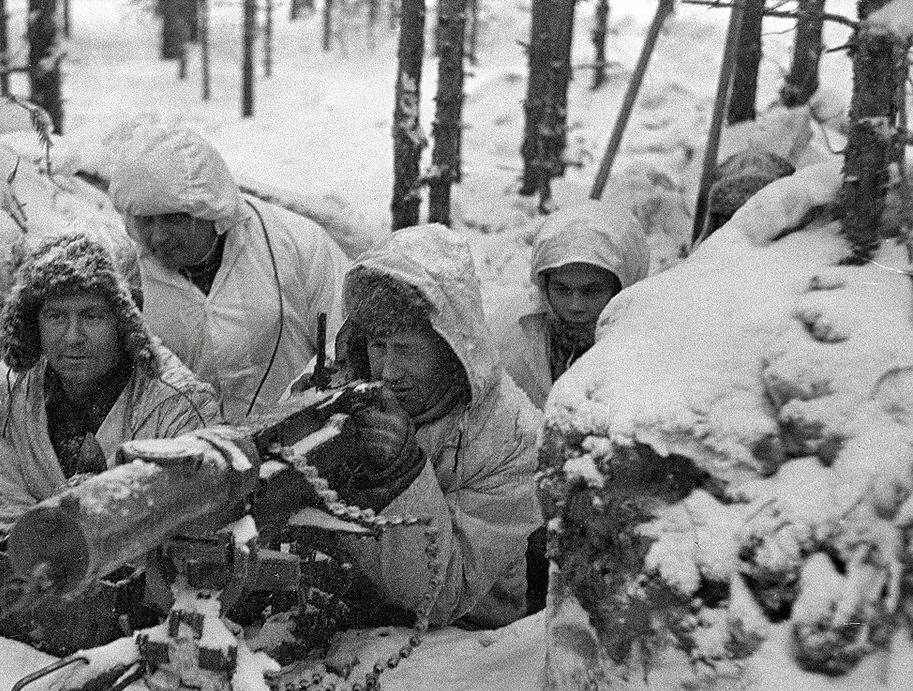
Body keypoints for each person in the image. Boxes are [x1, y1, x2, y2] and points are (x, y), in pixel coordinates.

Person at [322, 224, 543, 628]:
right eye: (378, 347)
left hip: (467, 641)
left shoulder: (511, 436)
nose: (388, 372)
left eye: (406, 350)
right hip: (348, 620)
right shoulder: (344, 385)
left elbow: (446, 594)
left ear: (449, 348)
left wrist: (400, 474)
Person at [0, 232, 220, 530]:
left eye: (92, 316)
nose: (73, 337)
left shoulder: (177, 407)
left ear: (126, 321)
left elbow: (191, 526)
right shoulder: (11, 387)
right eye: (56, 316)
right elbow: (0, 502)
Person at [105, 123, 350, 423]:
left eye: (172, 219)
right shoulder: (126, 275)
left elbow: (348, 338)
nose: (157, 237)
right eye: (145, 221)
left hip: (300, 437)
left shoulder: (296, 243)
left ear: (210, 211)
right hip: (188, 455)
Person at [488, 200, 649, 410]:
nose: (575, 306)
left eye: (592, 291)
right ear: (544, 286)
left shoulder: (645, 344)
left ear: (622, 288)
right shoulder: (512, 331)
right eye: (562, 289)